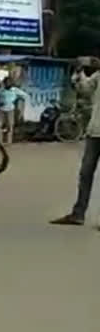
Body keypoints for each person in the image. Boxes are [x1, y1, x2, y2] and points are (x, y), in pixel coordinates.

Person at [50, 56, 100, 227]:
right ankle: (78, 214)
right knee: (85, 173)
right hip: (95, 132)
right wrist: (79, 71)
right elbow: (83, 89)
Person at [0, 77, 28, 144]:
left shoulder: (15, 90)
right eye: (6, 83)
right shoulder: (1, 90)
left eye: (9, 83)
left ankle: (9, 141)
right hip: (1, 110)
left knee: (10, 126)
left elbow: (25, 95)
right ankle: (0, 141)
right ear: (4, 83)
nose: (8, 84)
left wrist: (18, 99)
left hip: (10, 110)